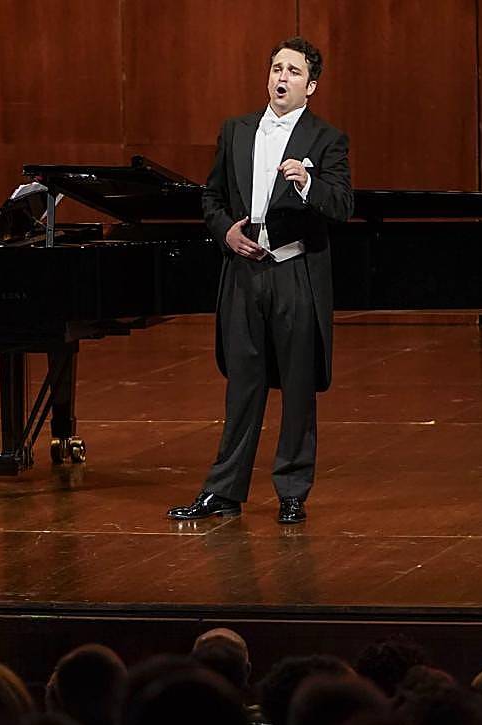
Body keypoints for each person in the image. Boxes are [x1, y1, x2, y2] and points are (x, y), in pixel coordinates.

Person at [168, 37, 352, 524]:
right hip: (245, 273)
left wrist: (308, 184)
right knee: (243, 386)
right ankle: (224, 490)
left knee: (296, 386)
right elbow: (210, 198)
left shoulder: (326, 139)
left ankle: (292, 491)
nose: (281, 78)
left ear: (310, 86)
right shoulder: (236, 131)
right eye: (275, 69)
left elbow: (342, 207)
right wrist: (226, 232)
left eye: (293, 71)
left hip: (294, 272)